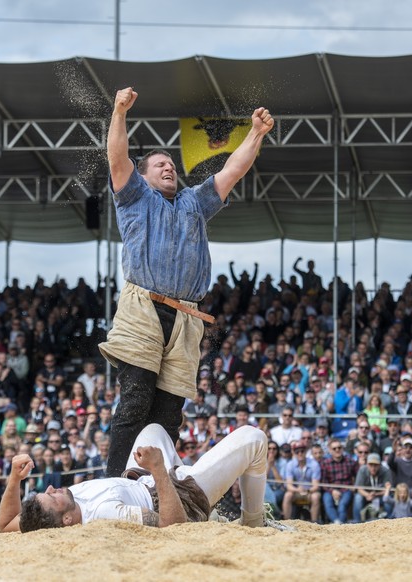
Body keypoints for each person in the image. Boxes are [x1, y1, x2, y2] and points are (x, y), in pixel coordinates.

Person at [98, 86, 275, 477]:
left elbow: (233, 170)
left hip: (186, 315)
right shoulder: (134, 197)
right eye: (159, 164)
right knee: (135, 400)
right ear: (142, 176)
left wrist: (256, 133)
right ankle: (114, 483)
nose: (168, 167)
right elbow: (117, 156)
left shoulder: (195, 201)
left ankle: (154, 485)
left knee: (168, 412)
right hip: (142, 306)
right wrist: (119, 112)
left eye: (171, 164)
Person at [0, 423, 274, 532]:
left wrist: (14, 479)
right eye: (52, 497)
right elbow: (172, 523)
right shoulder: (105, 514)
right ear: (67, 520)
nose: (51, 488)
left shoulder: (45, 518)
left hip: (142, 478)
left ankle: (205, 490)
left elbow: (6, 523)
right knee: (255, 439)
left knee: (153, 430)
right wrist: (157, 469)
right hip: (178, 495)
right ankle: (254, 519)